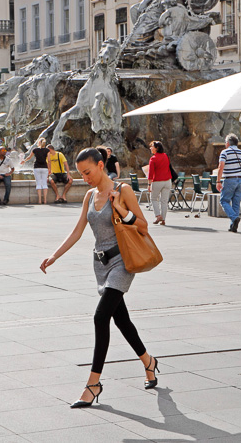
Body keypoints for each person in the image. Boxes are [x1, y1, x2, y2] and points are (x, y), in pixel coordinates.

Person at [39, 148, 159, 408]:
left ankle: (93, 384)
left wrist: (120, 209)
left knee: (100, 316)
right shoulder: (90, 196)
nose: (85, 178)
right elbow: (77, 231)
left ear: (101, 165)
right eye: (81, 174)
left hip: (122, 262)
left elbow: (142, 225)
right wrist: (54, 256)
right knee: (122, 320)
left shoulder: (122, 190)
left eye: (88, 172)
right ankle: (149, 361)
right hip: (101, 265)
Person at [220, 135, 241, 232]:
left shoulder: (225, 152)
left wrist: (218, 181)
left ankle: (234, 218)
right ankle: (233, 226)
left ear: (228, 143)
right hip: (240, 181)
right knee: (236, 203)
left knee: (224, 201)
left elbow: (221, 166)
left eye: (225, 142)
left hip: (229, 180)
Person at [143, 141, 174, 225]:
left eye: (152, 146)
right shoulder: (166, 156)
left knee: (153, 199)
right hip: (167, 181)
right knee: (164, 201)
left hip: (157, 181)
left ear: (156, 148)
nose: (150, 148)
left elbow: (150, 173)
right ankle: (163, 219)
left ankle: (158, 215)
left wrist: (149, 184)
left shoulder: (153, 158)